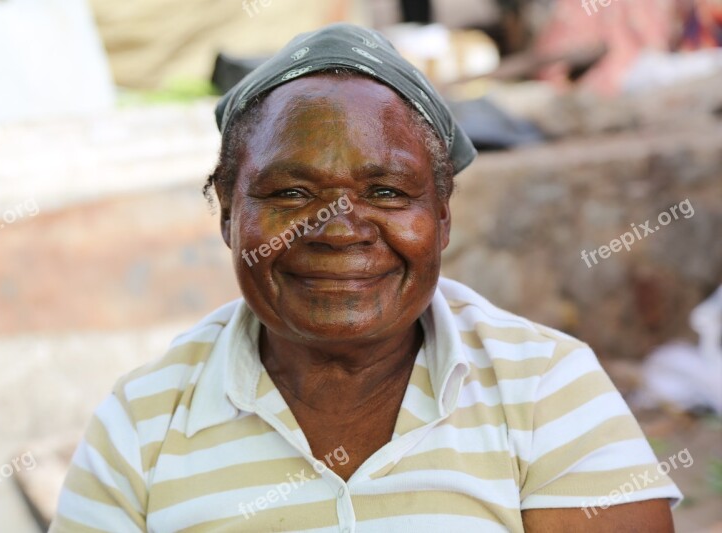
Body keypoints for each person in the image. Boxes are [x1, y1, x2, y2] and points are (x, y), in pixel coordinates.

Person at [50, 23, 681, 532]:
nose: (338, 227)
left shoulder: (547, 388)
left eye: (385, 190)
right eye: (291, 191)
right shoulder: (142, 423)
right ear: (227, 214)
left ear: (442, 216)